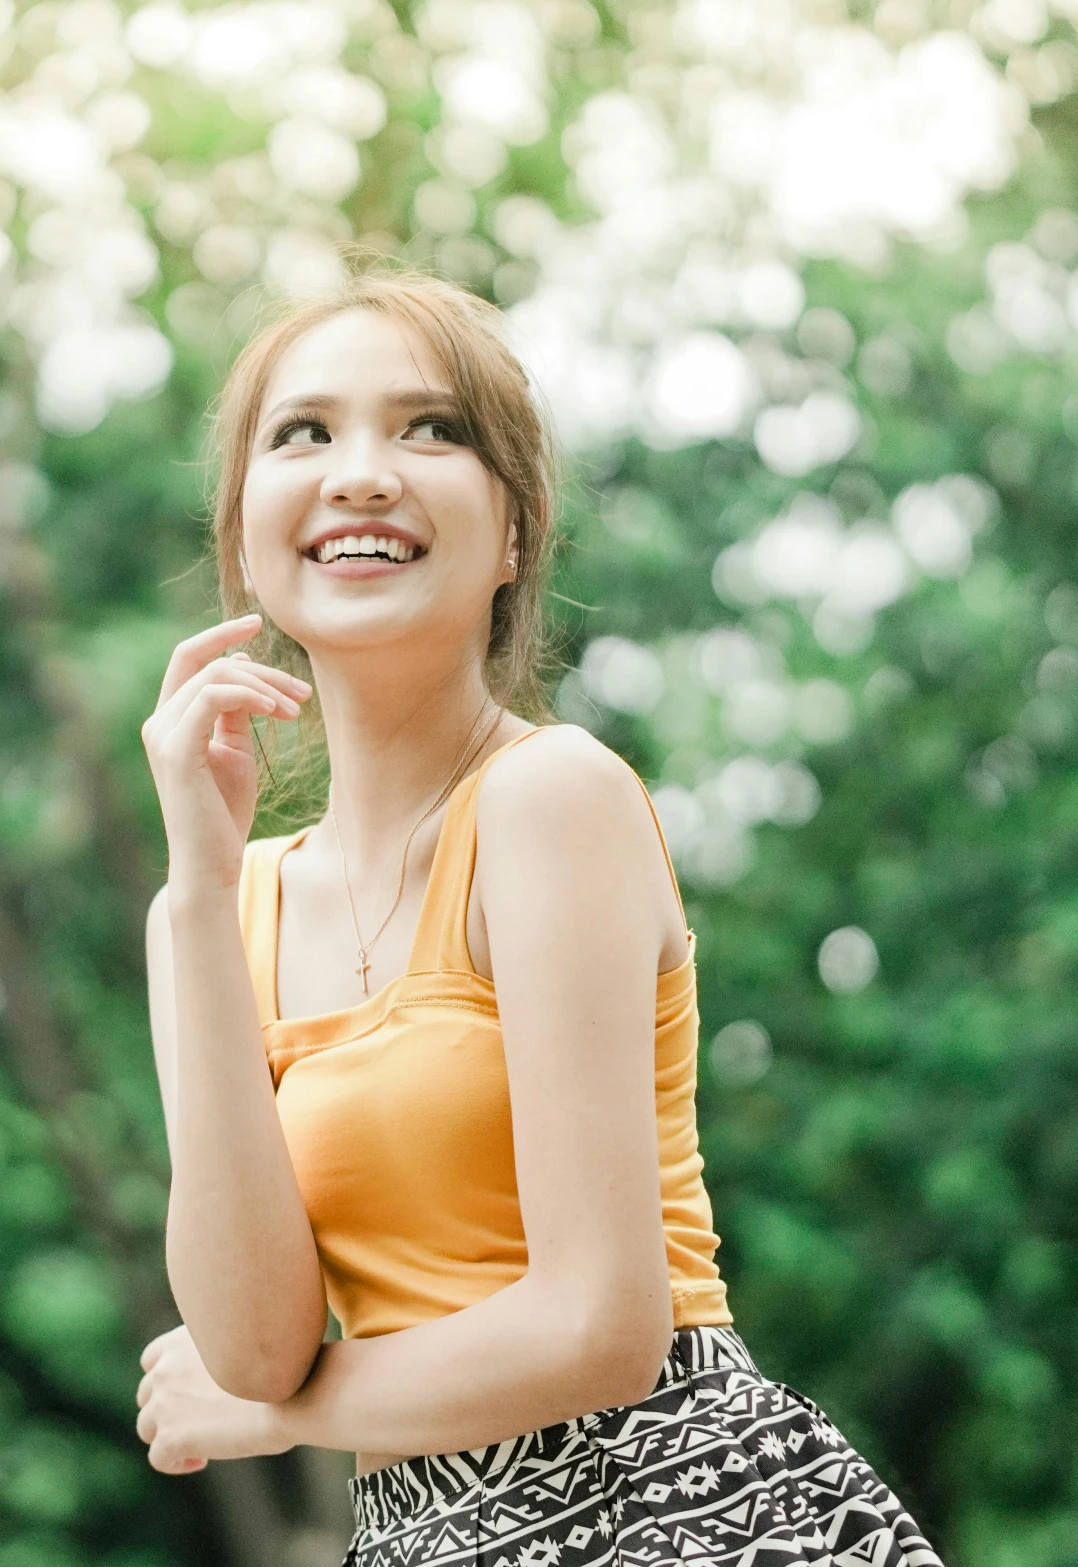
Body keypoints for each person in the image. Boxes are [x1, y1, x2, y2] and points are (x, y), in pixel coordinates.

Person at [132, 270, 944, 1566]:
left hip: (679, 1509)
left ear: (513, 534)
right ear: (243, 536)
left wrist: (276, 1417)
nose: (360, 473)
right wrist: (192, 892)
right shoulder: (228, 904)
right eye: (303, 432)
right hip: (421, 1537)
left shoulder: (546, 796)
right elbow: (253, 1340)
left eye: (429, 428)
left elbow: (598, 1328)